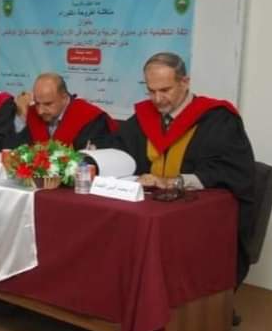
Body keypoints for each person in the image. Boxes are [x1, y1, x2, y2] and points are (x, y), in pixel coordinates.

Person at [102, 52, 255, 284]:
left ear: (185, 82)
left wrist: (175, 181)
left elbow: (231, 171)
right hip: (149, 213)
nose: (158, 99)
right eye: (151, 91)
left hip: (199, 218)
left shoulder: (218, 119)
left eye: (165, 90)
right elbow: (119, 151)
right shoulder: (143, 118)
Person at [10, 73, 117, 150]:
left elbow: (92, 160)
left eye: (48, 104)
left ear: (64, 97)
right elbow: (12, 150)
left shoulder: (91, 118)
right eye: (37, 103)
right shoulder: (30, 112)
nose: (40, 111)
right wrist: (21, 115)